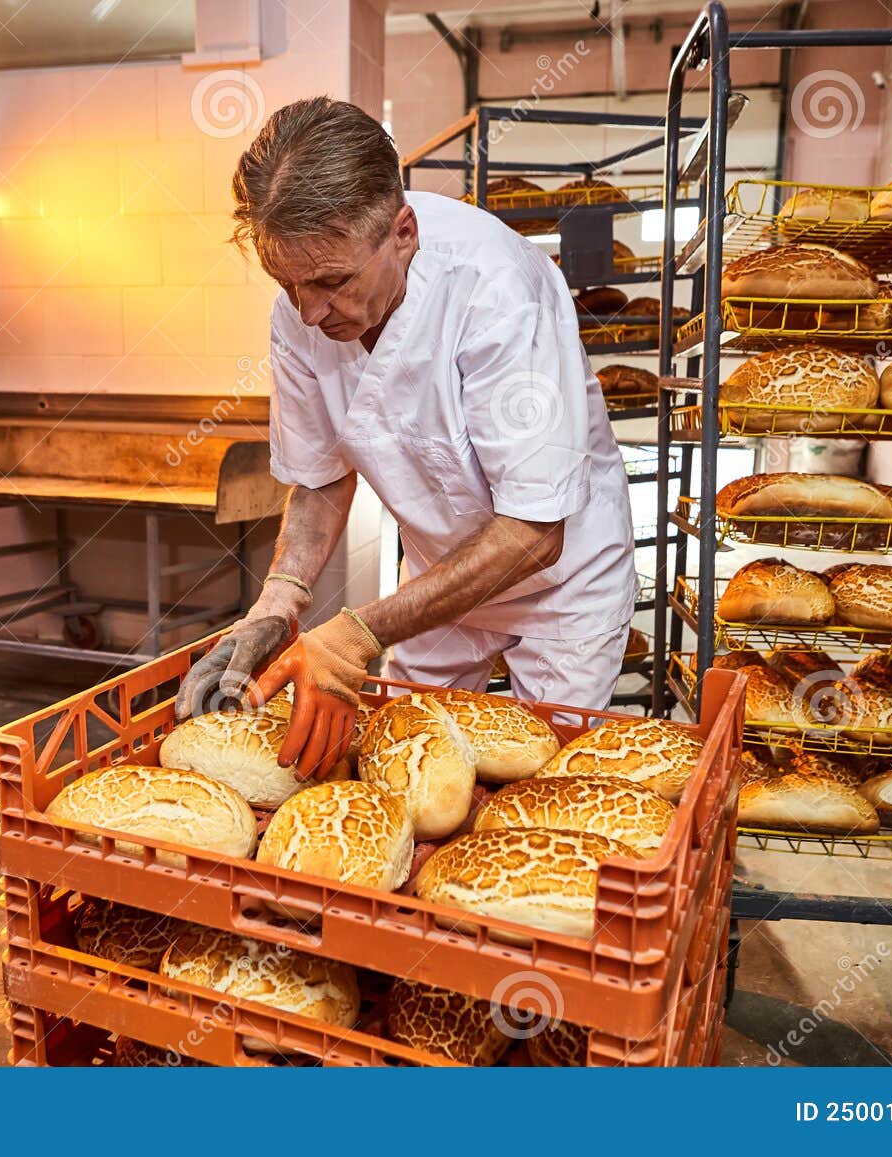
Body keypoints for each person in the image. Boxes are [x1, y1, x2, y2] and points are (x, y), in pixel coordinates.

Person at [175, 96, 635, 779]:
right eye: (288, 284)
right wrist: (279, 599)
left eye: (331, 282)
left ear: (403, 232)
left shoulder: (500, 293)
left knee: (545, 784)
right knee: (406, 770)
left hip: (559, 585)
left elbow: (536, 532)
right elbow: (321, 475)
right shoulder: (301, 309)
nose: (309, 311)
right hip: (437, 576)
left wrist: (357, 632)